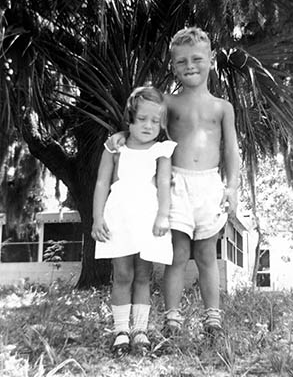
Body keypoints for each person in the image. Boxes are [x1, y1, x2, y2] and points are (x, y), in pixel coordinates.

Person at [107, 27, 240, 338]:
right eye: (181, 61)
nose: (189, 65)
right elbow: (145, 121)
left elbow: (231, 149)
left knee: (207, 254)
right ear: (172, 66)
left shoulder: (223, 107)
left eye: (197, 58)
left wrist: (232, 187)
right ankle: (172, 316)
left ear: (210, 59)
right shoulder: (168, 102)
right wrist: (122, 135)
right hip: (176, 184)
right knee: (177, 254)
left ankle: (213, 317)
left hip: (209, 186)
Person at [91, 86, 177, 357]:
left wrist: (164, 214)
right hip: (119, 217)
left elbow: (164, 183)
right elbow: (102, 181)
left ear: (161, 124)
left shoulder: (162, 150)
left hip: (148, 217)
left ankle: (140, 330)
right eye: (142, 119)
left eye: (155, 120)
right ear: (129, 119)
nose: (148, 125)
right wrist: (97, 218)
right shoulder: (114, 147)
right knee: (123, 274)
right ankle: (120, 331)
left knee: (143, 274)